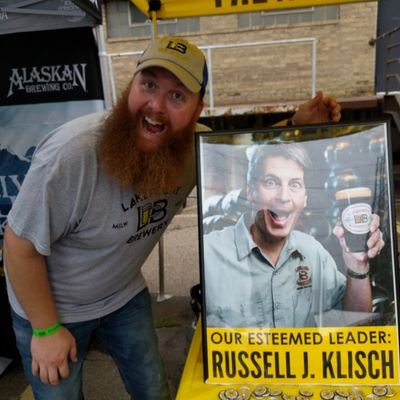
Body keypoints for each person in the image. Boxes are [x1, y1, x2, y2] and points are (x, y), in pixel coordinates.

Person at [3, 34, 341, 399]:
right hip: (52, 306)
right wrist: (46, 331)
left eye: (177, 95)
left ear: (198, 109)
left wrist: (297, 123)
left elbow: (255, 153)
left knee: (153, 391)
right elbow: (19, 246)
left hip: (121, 295)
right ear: (130, 85)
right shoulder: (72, 154)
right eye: (148, 85)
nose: (156, 106)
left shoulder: (193, 148)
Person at [203, 142, 385, 328]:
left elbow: (353, 321)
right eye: (271, 182)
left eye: (295, 184)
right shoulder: (209, 253)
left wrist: (357, 265)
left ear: (305, 198)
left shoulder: (313, 253)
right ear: (251, 192)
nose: (284, 196)